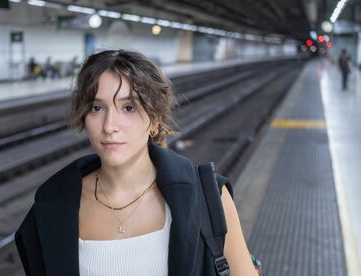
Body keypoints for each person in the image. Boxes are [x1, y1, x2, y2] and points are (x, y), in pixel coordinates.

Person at [14, 50, 257, 275]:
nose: (110, 126)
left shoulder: (209, 197)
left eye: (129, 107)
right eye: (97, 108)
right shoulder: (52, 206)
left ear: (155, 120)